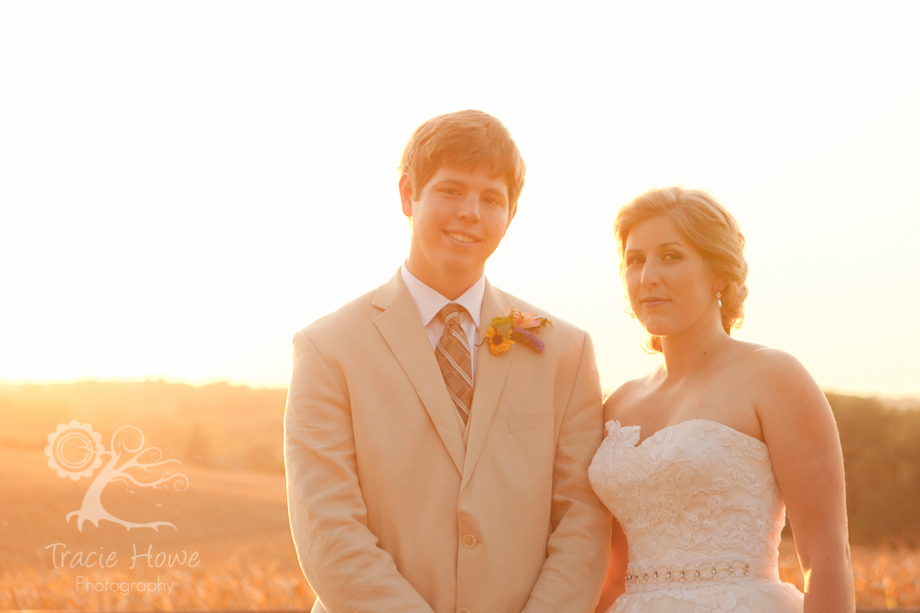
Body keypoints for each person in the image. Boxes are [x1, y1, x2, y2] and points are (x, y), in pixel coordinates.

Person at [284, 110, 612, 613]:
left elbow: (582, 522)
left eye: (491, 199)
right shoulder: (328, 350)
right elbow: (327, 526)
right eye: (451, 191)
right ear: (407, 195)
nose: (470, 212)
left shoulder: (566, 352)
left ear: (512, 214)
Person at [589, 187, 855, 613]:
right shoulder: (618, 403)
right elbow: (610, 574)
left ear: (719, 273)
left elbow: (826, 558)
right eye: (635, 260)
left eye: (671, 255)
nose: (648, 276)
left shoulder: (774, 377)